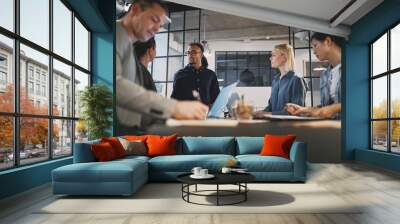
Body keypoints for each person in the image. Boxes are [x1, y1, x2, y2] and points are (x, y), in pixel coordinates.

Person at [116, 0, 208, 135]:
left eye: (160, 25)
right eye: (154, 19)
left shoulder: (127, 44)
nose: (157, 28)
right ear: (135, 10)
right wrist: (175, 108)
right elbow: (115, 86)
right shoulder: (117, 34)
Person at [286, 32, 343, 119]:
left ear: (327, 41)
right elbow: (326, 107)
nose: (313, 51)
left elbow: (356, 101)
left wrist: (328, 110)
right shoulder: (325, 75)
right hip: (332, 128)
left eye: (315, 45)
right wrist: (304, 110)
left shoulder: (352, 67)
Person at [254, 44, 305, 116]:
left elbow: (296, 111)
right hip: (274, 125)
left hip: (289, 126)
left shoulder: (296, 79)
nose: (270, 58)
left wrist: (268, 114)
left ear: (284, 57)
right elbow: (270, 108)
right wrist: (256, 113)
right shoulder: (275, 80)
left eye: (273, 55)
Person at [170, 43, 220, 107]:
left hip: (206, 115)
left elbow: (216, 98)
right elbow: (174, 99)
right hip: (186, 115)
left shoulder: (211, 75)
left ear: (201, 55)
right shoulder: (179, 75)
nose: (190, 55)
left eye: (194, 52)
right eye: (188, 52)